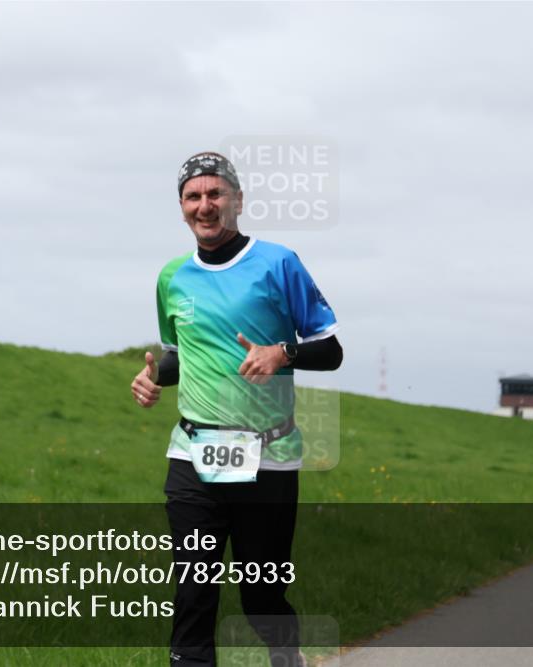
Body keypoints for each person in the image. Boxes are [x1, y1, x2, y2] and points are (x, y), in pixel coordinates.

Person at [131, 151, 342, 667]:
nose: (205, 205)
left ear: (238, 201)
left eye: (215, 194)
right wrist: (152, 375)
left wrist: (282, 352)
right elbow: (182, 353)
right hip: (193, 454)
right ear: (181, 207)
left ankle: (285, 655)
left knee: (260, 595)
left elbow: (331, 351)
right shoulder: (171, 277)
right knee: (194, 590)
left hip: (267, 456)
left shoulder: (278, 263)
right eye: (193, 196)